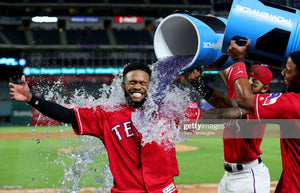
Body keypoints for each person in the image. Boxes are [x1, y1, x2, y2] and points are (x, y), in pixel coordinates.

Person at [9, 63, 179, 193]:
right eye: (132, 82)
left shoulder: (167, 109)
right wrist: (31, 98)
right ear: (123, 87)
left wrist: (196, 78)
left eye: (143, 83)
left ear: (150, 88)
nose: (137, 86)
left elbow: (202, 104)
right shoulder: (107, 114)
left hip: (165, 190)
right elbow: (67, 115)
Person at [183, 61, 272, 193]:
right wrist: (198, 62)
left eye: (255, 82)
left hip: (248, 177)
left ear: (264, 89)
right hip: (229, 175)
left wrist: (198, 83)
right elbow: (223, 64)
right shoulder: (240, 91)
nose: (248, 82)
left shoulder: (257, 105)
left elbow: (224, 104)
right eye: (247, 78)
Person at [226, 39, 300, 193]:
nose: (283, 73)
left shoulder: (292, 104)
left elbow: (245, 100)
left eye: (288, 70)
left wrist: (239, 60)